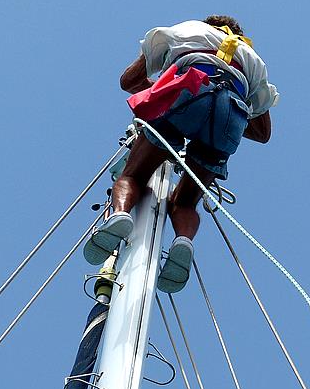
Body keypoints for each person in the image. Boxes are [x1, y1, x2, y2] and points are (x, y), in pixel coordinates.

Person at [83, 15, 279, 292]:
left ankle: (121, 215)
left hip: (187, 89)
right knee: (186, 201)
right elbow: (262, 133)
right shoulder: (253, 59)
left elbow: (129, 80)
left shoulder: (188, 30)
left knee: (134, 176)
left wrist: (161, 92)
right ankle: (183, 241)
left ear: (209, 24)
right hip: (232, 113)